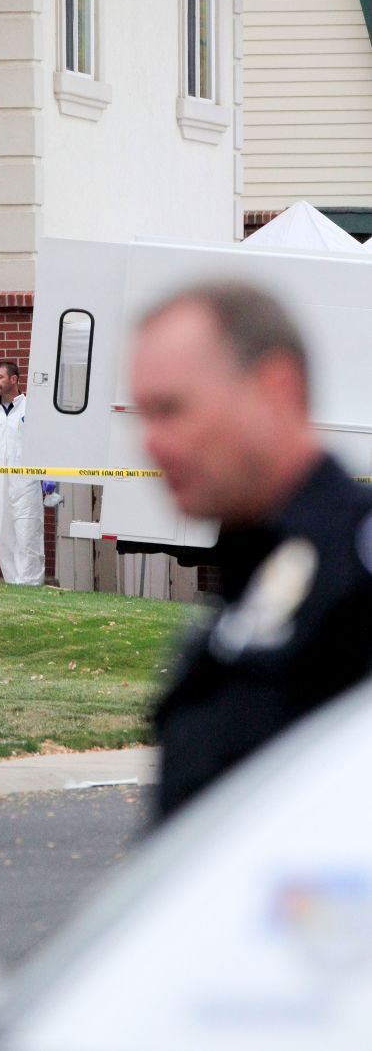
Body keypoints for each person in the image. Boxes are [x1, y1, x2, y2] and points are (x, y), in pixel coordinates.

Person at [130, 280, 372, 820]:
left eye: (171, 409)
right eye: (144, 414)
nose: (149, 442)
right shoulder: (253, 580)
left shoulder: (354, 572)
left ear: (275, 388)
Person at [0, 360, 55, 586]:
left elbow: (43, 442)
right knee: (3, 533)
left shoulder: (32, 409)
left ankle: (30, 584)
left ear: (14, 379)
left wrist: (48, 473)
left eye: (0, 377)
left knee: (27, 533)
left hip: (26, 482)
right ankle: (13, 583)